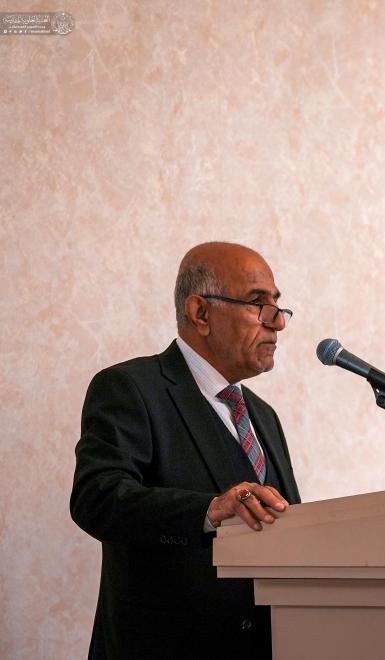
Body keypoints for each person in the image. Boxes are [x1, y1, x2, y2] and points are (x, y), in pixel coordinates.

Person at [70, 242, 301, 659]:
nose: (278, 322)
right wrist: (208, 510)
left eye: (277, 305)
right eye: (258, 304)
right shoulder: (131, 388)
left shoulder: (263, 416)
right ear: (200, 313)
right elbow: (97, 499)